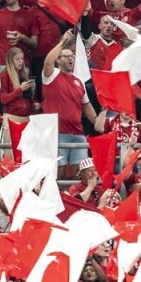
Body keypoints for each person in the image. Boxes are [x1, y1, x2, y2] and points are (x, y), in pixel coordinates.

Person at [43, 29, 98, 178]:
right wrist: (62, 42)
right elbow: (47, 61)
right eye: (65, 56)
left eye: (72, 56)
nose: (70, 58)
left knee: (80, 173)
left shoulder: (79, 80)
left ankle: (73, 200)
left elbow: (86, 106)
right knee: (58, 173)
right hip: (57, 133)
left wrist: (99, 123)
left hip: (77, 133)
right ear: (58, 60)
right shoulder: (51, 75)